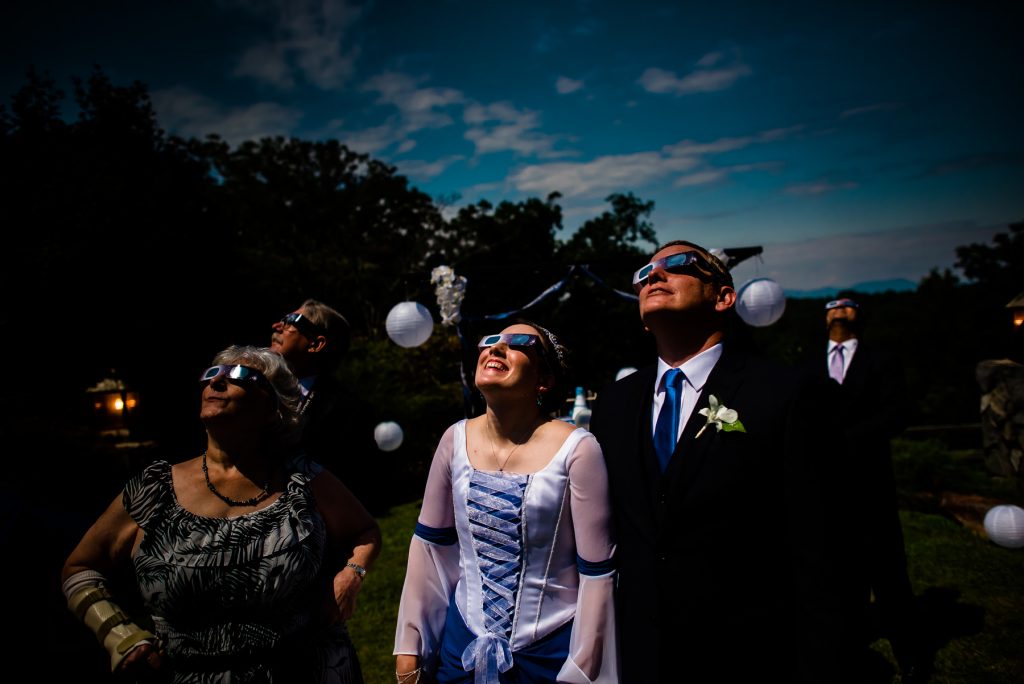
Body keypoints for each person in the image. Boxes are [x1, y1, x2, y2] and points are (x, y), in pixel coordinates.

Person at [588, 241, 847, 682]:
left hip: (749, 649)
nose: (654, 275)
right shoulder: (613, 404)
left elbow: (821, 544)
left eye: (676, 264)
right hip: (638, 651)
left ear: (724, 296)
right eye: (644, 273)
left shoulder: (785, 393)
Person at [62, 344, 382, 682]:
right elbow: (80, 568)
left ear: (273, 405)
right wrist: (119, 636)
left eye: (240, 375)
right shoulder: (154, 489)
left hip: (304, 671)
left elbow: (365, 531)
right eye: (212, 373)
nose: (216, 382)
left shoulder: (303, 479)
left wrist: (351, 575)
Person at [393, 321, 617, 683]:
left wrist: (584, 667)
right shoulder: (454, 440)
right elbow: (430, 549)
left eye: (519, 342)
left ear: (544, 379)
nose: (496, 348)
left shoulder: (578, 449)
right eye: (491, 341)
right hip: (461, 650)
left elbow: (598, 574)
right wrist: (410, 646)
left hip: (550, 655)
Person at [801, 296, 923, 680]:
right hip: (824, 484)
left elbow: (898, 412)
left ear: (859, 316)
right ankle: (848, 647)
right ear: (824, 318)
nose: (839, 307)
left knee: (887, 568)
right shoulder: (807, 363)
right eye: (832, 304)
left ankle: (910, 652)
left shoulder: (881, 360)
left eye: (848, 303)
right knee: (837, 567)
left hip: (871, 481)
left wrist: (850, 439)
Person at [271, 298, 386, 514]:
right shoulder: (253, 390)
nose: (277, 326)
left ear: (316, 344)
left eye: (291, 320)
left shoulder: (349, 410)